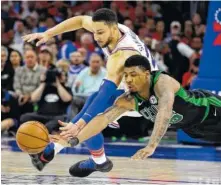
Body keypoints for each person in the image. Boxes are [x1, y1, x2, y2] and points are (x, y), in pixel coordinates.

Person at [22, 8, 158, 177]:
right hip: (129, 89)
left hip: (146, 100)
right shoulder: (112, 28)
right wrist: (49, 33)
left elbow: (105, 93)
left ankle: (51, 152)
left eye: (100, 32)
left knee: (90, 114)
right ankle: (98, 161)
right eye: (95, 32)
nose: (97, 37)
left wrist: (79, 123)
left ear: (113, 29)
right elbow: (79, 20)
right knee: (91, 105)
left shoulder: (122, 56)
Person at [55, 55, 221, 160]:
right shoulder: (128, 99)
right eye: (126, 75)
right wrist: (75, 140)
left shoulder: (163, 83)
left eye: (133, 75)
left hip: (211, 108)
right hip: (193, 128)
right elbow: (103, 119)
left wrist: (151, 145)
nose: (128, 80)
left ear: (147, 74)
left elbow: (164, 113)